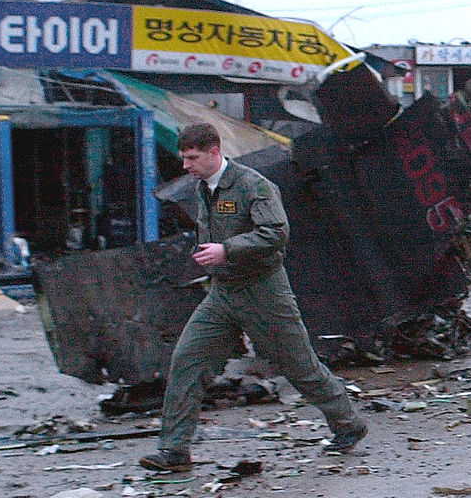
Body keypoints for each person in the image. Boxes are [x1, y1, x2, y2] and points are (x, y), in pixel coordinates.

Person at [140, 123, 366, 472]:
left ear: (214, 152)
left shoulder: (253, 185)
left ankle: (348, 423)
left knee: (299, 366)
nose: (185, 165)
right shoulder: (203, 188)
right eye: (184, 158)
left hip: (263, 292)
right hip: (222, 294)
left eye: (192, 157)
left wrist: (226, 250)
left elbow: (276, 233)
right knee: (187, 360)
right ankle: (174, 451)